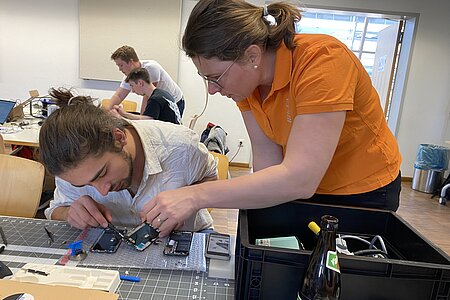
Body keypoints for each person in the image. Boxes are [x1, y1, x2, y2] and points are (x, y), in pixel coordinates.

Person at [141, 0, 402, 237]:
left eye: (215, 77)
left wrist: (194, 196)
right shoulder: (247, 86)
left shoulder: (323, 60)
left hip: (362, 192)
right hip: (305, 188)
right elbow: (269, 166)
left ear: (252, 56)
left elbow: (300, 179)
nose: (212, 89)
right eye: (206, 78)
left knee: (334, 279)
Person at [40, 87, 216, 232]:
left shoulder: (181, 146)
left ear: (118, 138)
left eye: (102, 173)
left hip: (184, 237)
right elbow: (56, 209)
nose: (102, 192)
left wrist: (189, 199)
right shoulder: (68, 167)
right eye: (84, 185)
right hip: (111, 240)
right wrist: (69, 213)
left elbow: (211, 177)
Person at [109, 45, 185, 116]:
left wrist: (141, 119)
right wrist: (106, 112)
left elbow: (149, 95)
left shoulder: (151, 67)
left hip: (175, 101)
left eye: (121, 65)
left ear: (130, 62)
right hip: (160, 102)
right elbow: (119, 96)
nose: (119, 69)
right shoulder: (129, 76)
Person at [112, 68, 182, 125]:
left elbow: (145, 123)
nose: (132, 90)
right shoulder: (162, 93)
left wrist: (119, 117)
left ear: (140, 83)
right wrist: (124, 114)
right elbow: (145, 118)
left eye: (132, 86)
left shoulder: (155, 99)